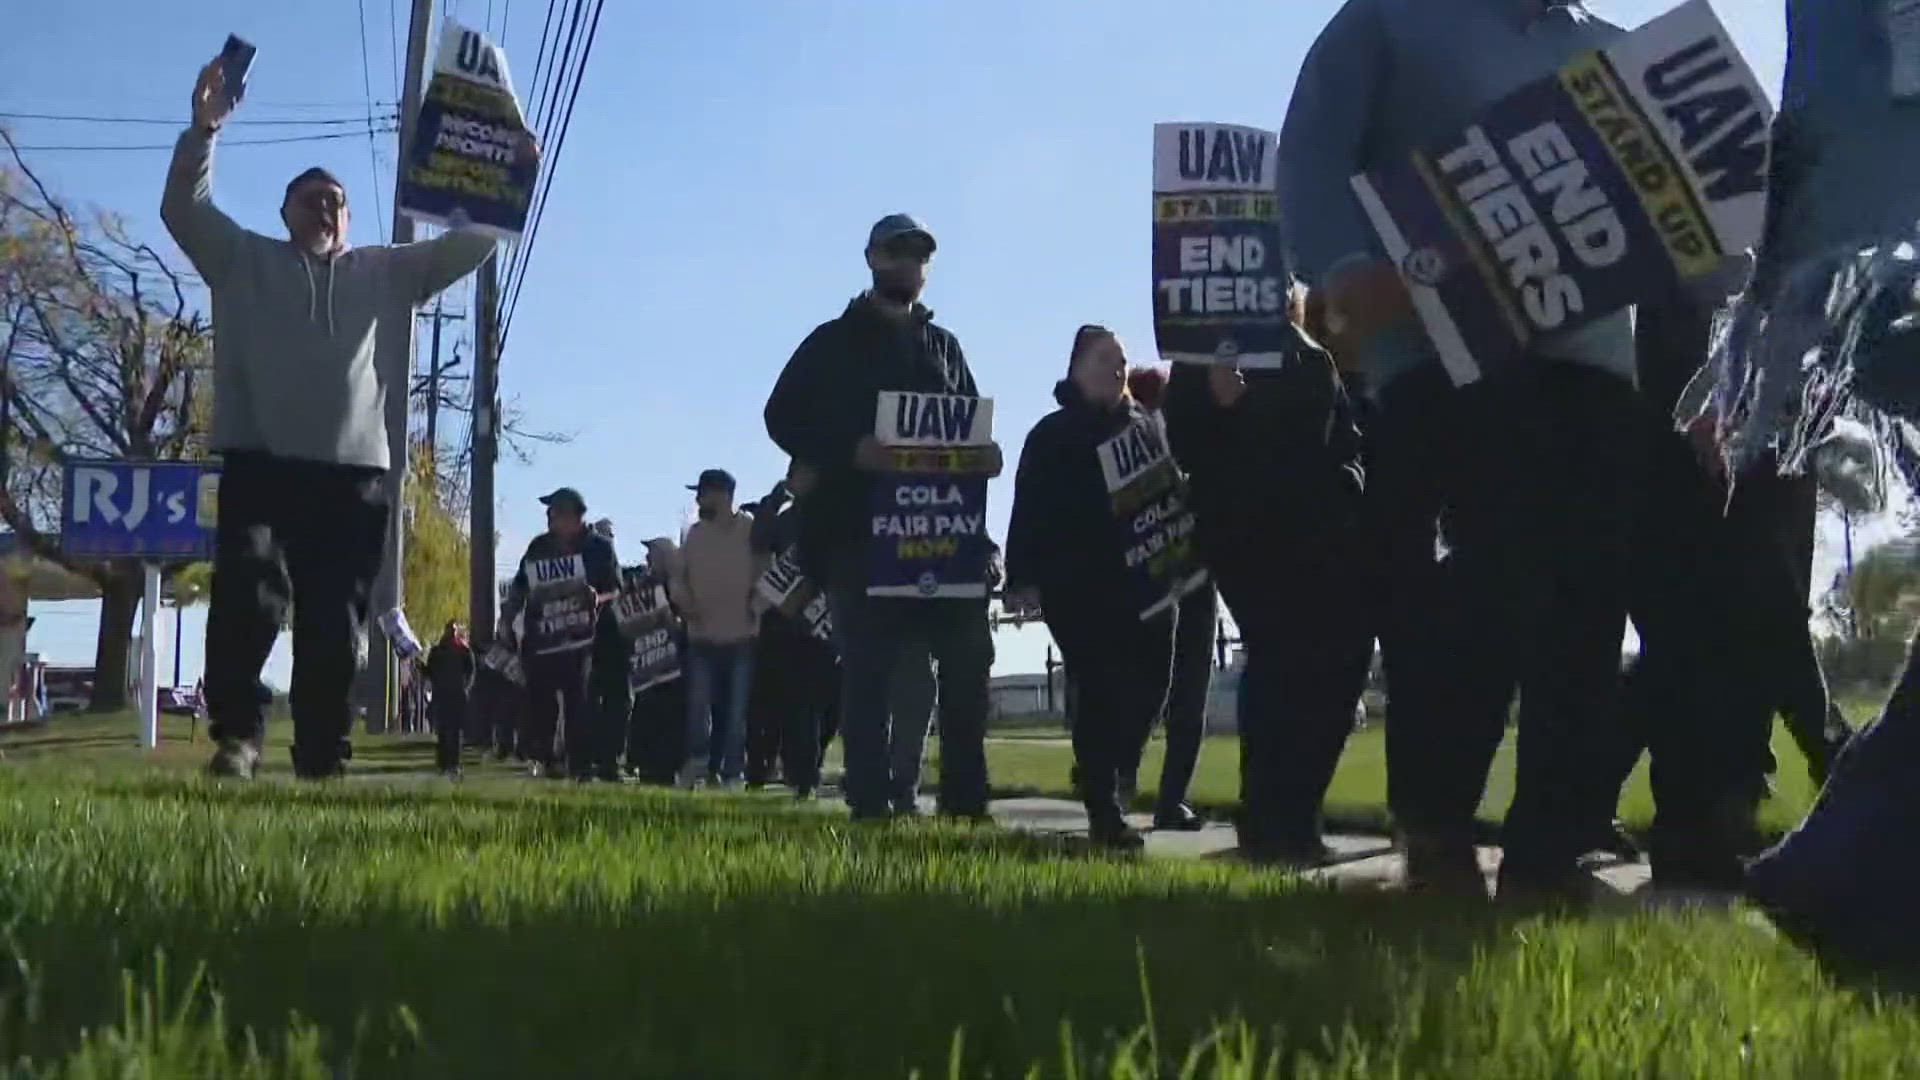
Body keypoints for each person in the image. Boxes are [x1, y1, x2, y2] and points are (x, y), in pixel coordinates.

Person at [1282, 0, 1661, 899]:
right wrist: (1340, 272)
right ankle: (1438, 829)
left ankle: (1549, 850)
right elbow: (1310, 154)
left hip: (1594, 369)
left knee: (1584, 608)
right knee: (1477, 602)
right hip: (1446, 360)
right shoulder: (1395, 20)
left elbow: (1687, 230)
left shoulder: (1610, 54)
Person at [163, 55, 516, 780]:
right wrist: (204, 128)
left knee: (334, 626)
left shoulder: (389, 271)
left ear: (349, 220)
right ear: (284, 212)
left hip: (354, 478)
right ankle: (238, 738)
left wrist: (509, 165)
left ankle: (322, 754)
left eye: (336, 202)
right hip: (260, 461)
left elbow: (476, 241)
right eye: (310, 200)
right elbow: (184, 210)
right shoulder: (241, 261)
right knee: (248, 600)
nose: (324, 210)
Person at [762, 214, 1001, 822]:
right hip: (858, 536)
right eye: (898, 253)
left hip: (944, 540)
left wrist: (984, 459)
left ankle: (965, 801)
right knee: (867, 670)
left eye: (920, 255)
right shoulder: (832, 342)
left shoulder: (944, 346)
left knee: (969, 656)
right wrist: (848, 449)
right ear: (871, 259)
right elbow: (780, 415)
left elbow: (966, 426)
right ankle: (871, 804)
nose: (910, 264)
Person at [1163, 295, 1375, 865]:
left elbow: (1341, 439)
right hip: (1248, 534)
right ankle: (1269, 823)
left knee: (1333, 669)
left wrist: (1348, 483)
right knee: (1282, 664)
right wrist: (1223, 405)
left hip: (1321, 531)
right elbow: (1185, 442)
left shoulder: (1309, 357)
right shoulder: (1206, 354)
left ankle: (1294, 818)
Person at [1006, 326, 1176, 848]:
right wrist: (1022, 580)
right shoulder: (1053, 434)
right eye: (1106, 359)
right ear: (1078, 368)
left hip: (1148, 580)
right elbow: (1027, 510)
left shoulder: (1149, 426)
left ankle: (1114, 773)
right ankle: (1105, 808)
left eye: (1123, 360)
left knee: (1151, 686)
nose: (1118, 368)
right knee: (1099, 690)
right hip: (1078, 585)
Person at [1122, 364, 1212, 831]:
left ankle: (1171, 796)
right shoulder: (1126, 441)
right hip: (1148, 573)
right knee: (1149, 688)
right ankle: (1124, 781)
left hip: (1194, 569)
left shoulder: (1191, 431)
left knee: (1191, 691)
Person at [501, 488, 620, 778]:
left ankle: (580, 764)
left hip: (583, 641)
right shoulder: (539, 547)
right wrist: (507, 617)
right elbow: (520, 586)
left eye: (553, 513)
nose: (548, 519)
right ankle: (544, 759)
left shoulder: (599, 549)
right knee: (540, 700)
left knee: (580, 702)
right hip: (543, 639)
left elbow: (616, 590)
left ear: (571, 516)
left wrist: (597, 599)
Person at [744, 469, 842, 799]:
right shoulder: (786, 519)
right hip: (782, 626)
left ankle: (805, 771)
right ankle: (779, 774)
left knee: (822, 707)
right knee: (780, 706)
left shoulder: (835, 515)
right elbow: (759, 540)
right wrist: (772, 502)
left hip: (824, 624)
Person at [671, 469, 762, 790]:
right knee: (698, 707)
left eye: (702, 493)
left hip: (742, 636)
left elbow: (766, 571)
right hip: (701, 637)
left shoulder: (750, 529)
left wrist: (758, 604)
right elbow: (677, 579)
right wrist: (684, 603)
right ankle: (697, 764)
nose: (697, 500)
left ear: (723, 494)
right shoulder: (694, 535)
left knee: (737, 711)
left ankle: (731, 772)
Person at [586, 518, 632, 782]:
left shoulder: (603, 554)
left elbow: (615, 589)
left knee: (614, 700)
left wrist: (596, 599)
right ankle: (596, 757)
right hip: (588, 636)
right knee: (592, 699)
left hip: (611, 634)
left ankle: (609, 760)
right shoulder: (584, 554)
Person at [425, 621, 476, 778]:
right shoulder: (438, 651)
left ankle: (451, 764)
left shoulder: (463, 651)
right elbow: (430, 672)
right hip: (444, 695)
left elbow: (471, 671)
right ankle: (445, 764)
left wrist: (466, 688)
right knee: (444, 731)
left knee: (453, 732)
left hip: (455, 695)